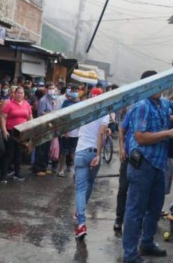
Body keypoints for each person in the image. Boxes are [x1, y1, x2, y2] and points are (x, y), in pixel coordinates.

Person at [122, 70, 173, 263]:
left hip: (159, 165)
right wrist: (168, 134)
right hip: (143, 165)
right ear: (145, 86)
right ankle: (130, 255)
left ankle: (146, 243)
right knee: (135, 211)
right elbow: (140, 137)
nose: (158, 88)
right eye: (153, 84)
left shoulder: (163, 104)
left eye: (159, 83)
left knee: (154, 208)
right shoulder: (142, 106)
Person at [73, 93, 110, 239]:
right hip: (94, 152)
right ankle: (80, 211)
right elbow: (101, 133)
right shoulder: (104, 112)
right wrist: (98, 154)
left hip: (81, 152)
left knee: (80, 188)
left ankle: (81, 222)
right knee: (89, 183)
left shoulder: (84, 110)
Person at [0, 86, 32, 182]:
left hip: (22, 133)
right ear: (14, 94)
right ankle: (3, 175)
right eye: (18, 93)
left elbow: (30, 118)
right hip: (11, 131)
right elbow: (3, 118)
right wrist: (4, 130)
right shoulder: (9, 104)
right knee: (9, 153)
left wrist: (30, 130)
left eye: (22, 93)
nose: (19, 95)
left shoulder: (26, 104)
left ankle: (17, 173)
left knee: (19, 154)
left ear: (24, 95)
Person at [113, 105, 135, 232]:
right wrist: (121, 148)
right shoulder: (132, 112)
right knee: (123, 188)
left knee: (138, 190)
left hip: (142, 158)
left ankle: (135, 220)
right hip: (127, 157)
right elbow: (122, 129)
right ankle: (119, 218)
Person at [33, 82, 57, 176]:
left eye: (53, 88)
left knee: (46, 148)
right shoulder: (43, 100)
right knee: (41, 148)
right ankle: (37, 168)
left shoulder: (52, 99)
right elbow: (41, 114)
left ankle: (44, 166)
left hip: (50, 127)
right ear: (46, 89)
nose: (52, 90)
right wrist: (50, 115)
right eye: (50, 88)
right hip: (43, 126)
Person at [57, 84, 80, 177]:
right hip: (66, 132)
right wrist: (65, 130)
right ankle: (61, 169)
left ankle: (76, 170)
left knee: (73, 151)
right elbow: (63, 117)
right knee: (63, 152)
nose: (75, 93)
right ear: (70, 92)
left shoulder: (80, 103)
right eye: (73, 91)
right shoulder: (66, 103)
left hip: (75, 132)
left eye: (76, 91)